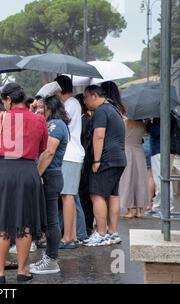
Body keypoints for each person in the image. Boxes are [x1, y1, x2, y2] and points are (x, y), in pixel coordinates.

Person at [0, 83, 48, 284]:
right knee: (24, 222)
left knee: (1, 223)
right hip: (27, 173)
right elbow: (43, 147)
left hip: (2, 172)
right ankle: (23, 271)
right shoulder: (39, 119)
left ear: (7, 100)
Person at [82, 85, 126, 247]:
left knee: (97, 194)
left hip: (105, 159)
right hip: (119, 158)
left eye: (86, 97)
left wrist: (96, 160)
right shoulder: (114, 109)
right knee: (113, 195)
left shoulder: (101, 111)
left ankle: (101, 233)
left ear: (94, 96)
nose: (85, 102)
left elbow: (99, 136)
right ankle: (113, 232)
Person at [30, 95, 69, 275]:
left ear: (50, 107)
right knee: (48, 219)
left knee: (52, 220)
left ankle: (52, 260)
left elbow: (49, 152)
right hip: (50, 175)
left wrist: (36, 174)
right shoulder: (51, 124)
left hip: (50, 176)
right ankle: (49, 257)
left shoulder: (57, 125)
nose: (38, 111)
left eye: (41, 108)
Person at [54, 76, 88, 248]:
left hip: (70, 154)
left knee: (67, 195)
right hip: (70, 155)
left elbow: (63, 124)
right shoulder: (73, 103)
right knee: (70, 196)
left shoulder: (70, 104)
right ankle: (74, 234)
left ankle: (69, 236)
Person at [119, 119, 149, 218]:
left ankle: (129, 211)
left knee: (127, 179)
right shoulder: (143, 124)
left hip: (126, 151)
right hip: (139, 151)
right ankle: (139, 211)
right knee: (140, 180)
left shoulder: (125, 123)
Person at [75, 93, 95, 236]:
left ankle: (85, 227)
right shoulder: (88, 119)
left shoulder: (82, 121)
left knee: (83, 196)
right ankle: (86, 226)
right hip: (88, 161)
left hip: (83, 162)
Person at [146, 118, 175, 216]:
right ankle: (162, 206)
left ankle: (163, 208)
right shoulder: (170, 114)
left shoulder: (161, 116)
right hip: (167, 150)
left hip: (159, 151)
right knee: (164, 179)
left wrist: (148, 124)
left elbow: (155, 131)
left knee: (161, 180)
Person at [142, 132, 156, 214]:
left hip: (139, 143)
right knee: (150, 175)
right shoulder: (151, 121)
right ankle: (149, 203)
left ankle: (136, 203)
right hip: (149, 141)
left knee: (141, 174)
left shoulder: (133, 120)